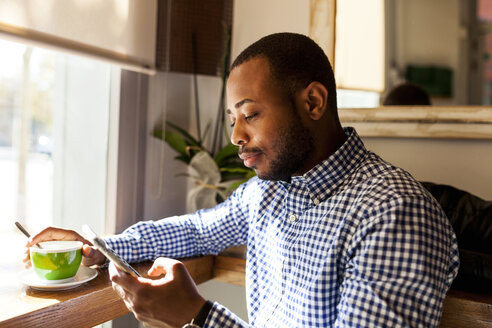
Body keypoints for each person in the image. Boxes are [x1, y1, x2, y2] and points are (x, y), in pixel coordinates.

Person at [25, 33, 459, 327]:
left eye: (250, 114)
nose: (235, 137)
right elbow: (197, 229)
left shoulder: (395, 213)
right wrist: (99, 248)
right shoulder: (267, 192)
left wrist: (198, 315)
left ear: (312, 101)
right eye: (233, 119)